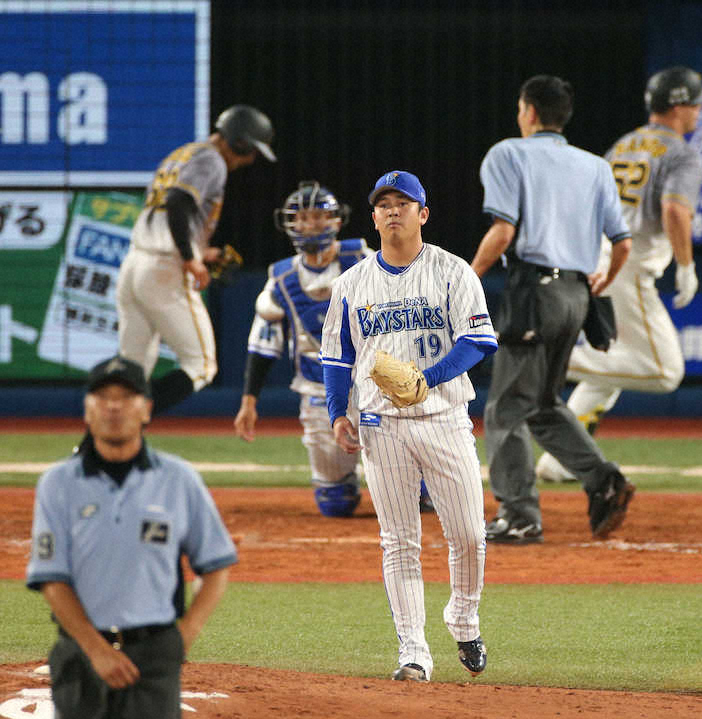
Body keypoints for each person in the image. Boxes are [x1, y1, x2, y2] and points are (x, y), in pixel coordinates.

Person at [321, 170, 498, 682]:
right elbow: (337, 356)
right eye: (384, 204)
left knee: (469, 535)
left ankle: (463, 619)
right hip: (381, 425)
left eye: (403, 202)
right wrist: (337, 412)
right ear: (374, 217)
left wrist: (429, 378)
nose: (392, 210)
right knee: (399, 540)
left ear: (423, 214)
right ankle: (413, 652)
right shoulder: (350, 284)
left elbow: (478, 341)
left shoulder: (453, 271)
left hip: (444, 418)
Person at [26, 355, 237, 719]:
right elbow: (52, 579)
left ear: (147, 409)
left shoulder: (178, 479)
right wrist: (96, 650)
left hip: (153, 656)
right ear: (88, 409)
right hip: (81, 656)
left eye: (126, 396)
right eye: (103, 396)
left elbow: (216, 564)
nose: (114, 406)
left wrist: (183, 637)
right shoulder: (58, 484)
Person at [472, 75, 635, 545]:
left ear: (528, 111)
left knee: (505, 409)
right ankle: (604, 482)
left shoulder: (508, 154)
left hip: (533, 292)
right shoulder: (595, 166)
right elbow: (622, 243)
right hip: (577, 296)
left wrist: (467, 275)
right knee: (542, 405)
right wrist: (600, 281)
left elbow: (503, 231)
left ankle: (519, 514)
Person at [535, 66, 702, 483]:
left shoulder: (624, 144)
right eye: (695, 104)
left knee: (610, 367)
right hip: (627, 262)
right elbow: (674, 210)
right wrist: (686, 265)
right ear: (680, 105)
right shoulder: (681, 152)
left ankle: (559, 461)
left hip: (594, 254)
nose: (699, 112)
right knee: (665, 371)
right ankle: (551, 358)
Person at [232, 180, 437, 517]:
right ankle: (346, 481)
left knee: (412, 494)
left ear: (336, 221)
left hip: (377, 385)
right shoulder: (281, 280)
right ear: (290, 224)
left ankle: (420, 478)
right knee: (335, 503)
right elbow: (263, 347)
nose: (310, 225)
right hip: (319, 390)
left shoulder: (364, 260)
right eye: (302, 218)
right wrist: (248, 401)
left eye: (318, 216)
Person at [117, 104, 276, 415]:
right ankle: (134, 419)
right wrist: (190, 258)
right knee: (201, 365)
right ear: (240, 142)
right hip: (163, 269)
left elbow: (168, 212)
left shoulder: (184, 153)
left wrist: (200, 252)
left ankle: (99, 439)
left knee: (132, 370)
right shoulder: (211, 159)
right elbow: (178, 203)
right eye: (252, 150)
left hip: (135, 264)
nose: (250, 159)